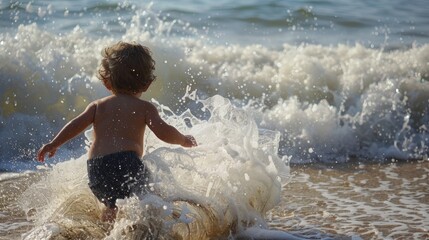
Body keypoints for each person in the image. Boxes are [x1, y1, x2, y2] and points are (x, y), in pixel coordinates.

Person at [37, 41, 197, 222]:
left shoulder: (97, 106)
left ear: (106, 82)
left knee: (111, 205)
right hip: (126, 163)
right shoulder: (145, 108)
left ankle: (108, 232)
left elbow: (76, 124)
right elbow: (163, 131)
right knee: (150, 198)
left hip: (96, 169)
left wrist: (54, 143)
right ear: (147, 84)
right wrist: (183, 139)